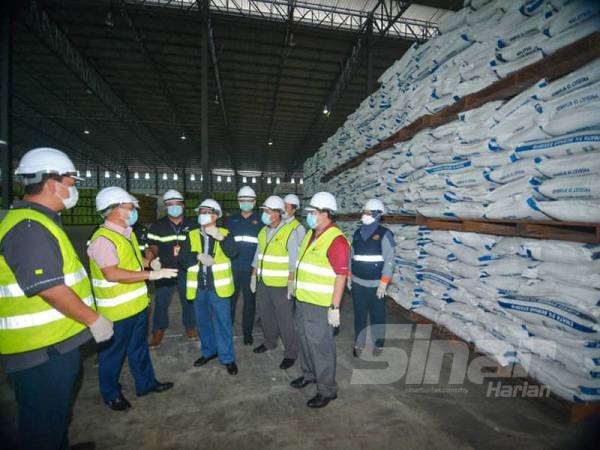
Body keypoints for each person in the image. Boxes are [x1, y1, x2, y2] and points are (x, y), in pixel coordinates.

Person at [0, 147, 114, 449]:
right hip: (39, 350)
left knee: (55, 416)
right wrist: (94, 319)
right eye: (71, 182)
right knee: (43, 424)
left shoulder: (38, 221)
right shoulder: (29, 228)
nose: (73, 188)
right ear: (52, 183)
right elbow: (48, 287)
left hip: (52, 343)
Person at [88, 187, 175, 411]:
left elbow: (133, 262)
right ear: (116, 210)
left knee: (139, 349)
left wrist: (150, 263)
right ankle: (111, 394)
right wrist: (151, 274)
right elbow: (112, 273)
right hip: (117, 312)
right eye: (130, 207)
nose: (134, 210)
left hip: (136, 307)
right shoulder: (103, 240)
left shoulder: (126, 234)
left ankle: (146, 384)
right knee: (112, 355)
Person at [290, 192, 349, 409]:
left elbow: (341, 276)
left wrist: (335, 307)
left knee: (321, 346)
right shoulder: (311, 234)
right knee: (304, 339)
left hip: (321, 304)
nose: (310, 216)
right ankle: (309, 374)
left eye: (314, 213)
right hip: (303, 300)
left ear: (326, 214)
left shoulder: (337, 241)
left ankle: (327, 389)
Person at [181, 199, 239, 375]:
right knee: (203, 322)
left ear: (216, 215)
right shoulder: (191, 235)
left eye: (207, 212)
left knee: (223, 323)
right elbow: (182, 259)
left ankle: (227, 358)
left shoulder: (226, 233)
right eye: (201, 212)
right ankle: (209, 351)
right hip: (199, 288)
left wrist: (220, 237)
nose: (203, 215)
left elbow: (234, 252)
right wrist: (197, 255)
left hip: (218, 288)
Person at [250, 195, 302, 370]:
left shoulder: (290, 232)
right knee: (266, 315)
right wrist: (253, 275)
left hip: (281, 285)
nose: (265, 214)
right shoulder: (263, 232)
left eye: (268, 211)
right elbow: (258, 255)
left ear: (278, 213)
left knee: (285, 319)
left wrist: (291, 283)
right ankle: (269, 342)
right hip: (264, 282)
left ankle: (291, 352)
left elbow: (294, 261)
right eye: (264, 210)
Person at [146, 189, 197, 349]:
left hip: (186, 270)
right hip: (164, 270)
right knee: (161, 302)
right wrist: (151, 259)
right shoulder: (157, 226)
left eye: (177, 204)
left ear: (183, 205)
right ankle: (158, 331)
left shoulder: (193, 225)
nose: (174, 207)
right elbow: (152, 247)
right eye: (170, 205)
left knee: (188, 300)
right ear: (165, 207)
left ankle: (190, 327)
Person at [348, 199, 395, 358]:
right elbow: (351, 256)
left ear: (377, 215)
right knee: (359, 315)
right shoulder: (357, 233)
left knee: (377, 316)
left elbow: (389, 260)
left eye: (368, 213)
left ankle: (378, 343)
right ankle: (358, 343)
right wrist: (349, 276)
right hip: (358, 284)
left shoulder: (384, 234)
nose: (365, 215)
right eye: (364, 212)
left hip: (376, 286)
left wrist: (384, 282)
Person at [225, 186, 262, 345]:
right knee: (230, 302)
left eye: (249, 201)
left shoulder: (261, 221)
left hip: (251, 270)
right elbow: (225, 244)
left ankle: (247, 332)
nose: (246, 203)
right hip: (232, 268)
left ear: (254, 202)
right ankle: (227, 330)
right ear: (238, 202)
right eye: (242, 200)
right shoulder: (230, 220)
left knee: (249, 302)